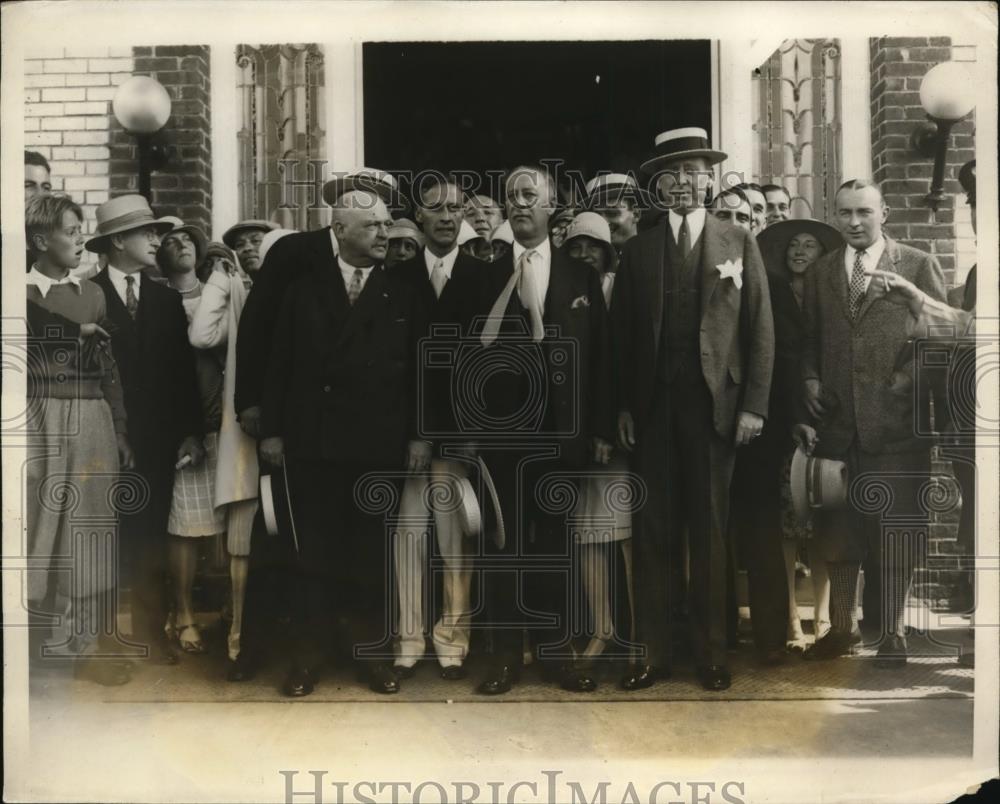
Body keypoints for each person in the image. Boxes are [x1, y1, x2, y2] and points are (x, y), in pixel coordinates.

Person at [613, 127, 774, 692]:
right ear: (658, 186)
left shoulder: (738, 240)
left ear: (710, 179)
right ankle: (653, 655)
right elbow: (622, 339)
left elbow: (759, 330)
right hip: (653, 409)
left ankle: (710, 653)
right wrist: (624, 408)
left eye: (693, 172)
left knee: (710, 529)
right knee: (653, 530)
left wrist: (753, 406)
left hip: (715, 408)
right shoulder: (638, 250)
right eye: (670, 175)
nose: (682, 183)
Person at [258, 184, 430, 698]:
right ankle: (308, 658)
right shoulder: (303, 290)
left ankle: (371, 656)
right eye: (374, 225)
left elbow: (422, 371)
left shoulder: (404, 292)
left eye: (385, 224)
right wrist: (272, 430)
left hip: (377, 445)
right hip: (313, 443)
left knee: (370, 552)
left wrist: (420, 436)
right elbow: (278, 364)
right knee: (312, 552)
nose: (385, 233)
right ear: (340, 231)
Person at [794, 178, 946, 667]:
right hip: (838, 424)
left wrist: (907, 379)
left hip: (896, 426)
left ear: (884, 214)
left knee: (897, 529)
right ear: (834, 216)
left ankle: (894, 631)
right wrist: (811, 380)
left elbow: (939, 338)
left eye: (864, 212)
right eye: (845, 213)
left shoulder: (917, 265)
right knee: (839, 529)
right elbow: (808, 338)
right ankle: (842, 629)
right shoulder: (820, 272)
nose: (854, 222)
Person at [474, 164, 612, 695]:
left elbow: (601, 358)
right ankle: (506, 657)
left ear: (552, 205)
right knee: (504, 546)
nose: (519, 203)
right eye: (511, 196)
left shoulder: (581, 277)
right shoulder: (483, 273)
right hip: (504, 438)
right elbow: (467, 360)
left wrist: (599, 427)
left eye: (530, 195)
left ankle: (557, 655)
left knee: (556, 544)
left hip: (563, 433)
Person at [88, 195, 205, 667]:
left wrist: (192, 432)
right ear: (118, 241)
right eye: (148, 233)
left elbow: (183, 375)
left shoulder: (164, 298)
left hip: (157, 442)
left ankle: (154, 636)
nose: (158, 240)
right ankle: (103, 641)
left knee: (153, 535)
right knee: (103, 536)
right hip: (100, 439)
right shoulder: (87, 294)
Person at [24, 194, 134, 686]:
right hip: (35, 417)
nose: (80, 239)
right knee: (34, 524)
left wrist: (121, 426)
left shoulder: (91, 293)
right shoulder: (17, 292)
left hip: (90, 418)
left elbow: (109, 369)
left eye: (82, 229)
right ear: (40, 240)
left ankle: (83, 646)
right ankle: (31, 642)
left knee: (88, 529)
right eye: (71, 230)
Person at [391, 176, 486, 681]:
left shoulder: (484, 276)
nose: (448, 217)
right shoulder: (397, 278)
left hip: (459, 436)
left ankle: (452, 639)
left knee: (455, 541)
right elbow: (391, 367)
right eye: (437, 209)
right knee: (408, 537)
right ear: (420, 217)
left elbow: (495, 365)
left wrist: (470, 432)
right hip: (407, 437)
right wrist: (413, 433)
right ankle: (408, 639)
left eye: (456, 208)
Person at [235, 168, 407, 441]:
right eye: (359, 196)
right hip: (304, 411)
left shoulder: (389, 253)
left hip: (366, 419)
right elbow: (258, 324)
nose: (369, 204)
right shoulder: (294, 251)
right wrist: (250, 401)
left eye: (379, 201)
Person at [739, 218, 842, 659]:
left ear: (823, 255)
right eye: (793, 245)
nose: (800, 251)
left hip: (829, 417)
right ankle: (789, 620)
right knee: (782, 524)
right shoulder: (772, 294)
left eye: (810, 245)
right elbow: (773, 360)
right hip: (781, 419)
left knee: (825, 521)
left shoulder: (834, 297)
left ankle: (828, 619)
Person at [563, 211, 636, 668]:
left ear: (608, 251)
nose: (585, 254)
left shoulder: (624, 288)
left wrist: (611, 426)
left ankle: (636, 633)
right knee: (588, 533)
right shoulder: (566, 291)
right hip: (580, 435)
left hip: (622, 433)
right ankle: (601, 630)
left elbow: (626, 361)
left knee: (627, 535)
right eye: (576, 247)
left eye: (593, 246)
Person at [156, 221, 223, 655]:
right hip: (183, 424)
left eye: (187, 239)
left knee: (226, 523)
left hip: (223, 422)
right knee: (183, 523)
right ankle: (182, 613)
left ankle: (233, 612)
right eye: (169, 241)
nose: (180, 244)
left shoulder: (223, 291)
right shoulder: (158, 301)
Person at [580, 173, 646, 256]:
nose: (603, 222)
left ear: (636, 214)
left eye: (612, 213)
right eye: (596, 216)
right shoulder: (589, 262)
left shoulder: (655, 255)